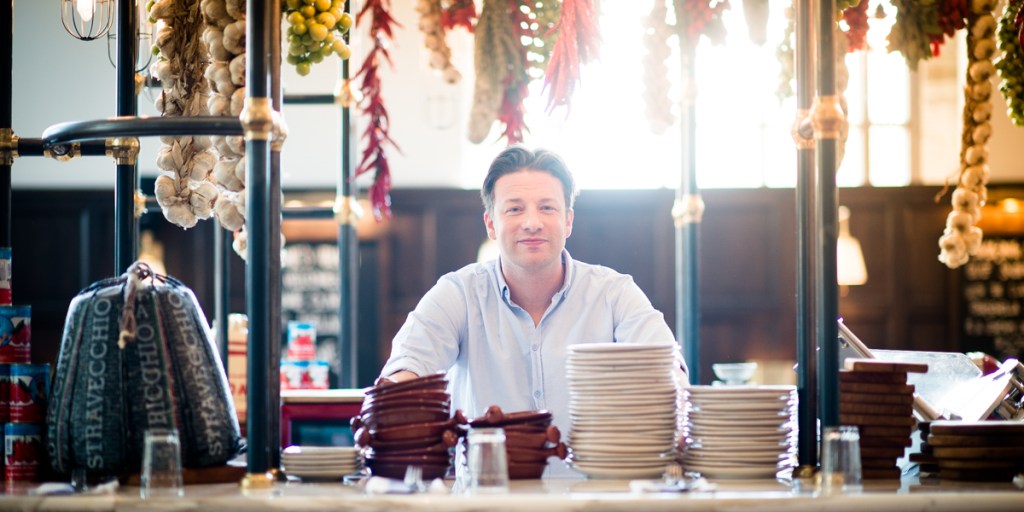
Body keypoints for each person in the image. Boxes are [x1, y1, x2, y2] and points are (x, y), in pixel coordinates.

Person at [378, 145, 687, 441]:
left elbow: (667, 366)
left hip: (592, 492)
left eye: (547, 208)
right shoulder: (458, 293)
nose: (531, 223)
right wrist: (402, 408)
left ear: (567, 221)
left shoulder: (613, 293)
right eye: (514, 209)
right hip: (487, 492)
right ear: (491, 224)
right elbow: (408, 368)